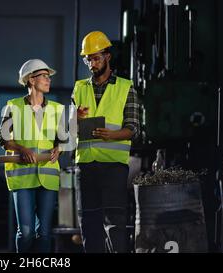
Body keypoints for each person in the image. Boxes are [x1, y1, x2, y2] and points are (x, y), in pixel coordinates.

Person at [71, 31, 140, 253]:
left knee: (115, 226)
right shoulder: (79, 87)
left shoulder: (125, 87)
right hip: (86, 167)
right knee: (89, 226)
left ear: (107, 56)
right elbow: (70, 127)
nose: (92, 63)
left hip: (113, 168)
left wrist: (111, 135)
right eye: (88, 59)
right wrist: (73, 121)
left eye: (96, 57)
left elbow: (133, 128)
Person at [0, 59, 64, 253]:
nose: (48, 80)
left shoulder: (57, 109)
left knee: (44, 233)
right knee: (26, 232)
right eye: (44, 76)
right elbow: (2, 140)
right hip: (22, 176)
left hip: (48, 176)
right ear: (31, 80)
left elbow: (63, 140)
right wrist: (21, 148)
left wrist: (59, 148)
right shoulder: (13, 106)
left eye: (48, 76)